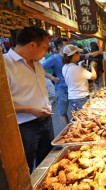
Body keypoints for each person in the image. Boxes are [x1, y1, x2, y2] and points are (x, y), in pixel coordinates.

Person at [4, 26, 54, 173]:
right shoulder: (5, 65)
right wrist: (30, 109)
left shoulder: (37, 64)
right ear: (32, 45)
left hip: (46, 121)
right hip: (25, 126)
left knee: (48, 163)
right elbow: (2, 106)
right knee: (26, 167)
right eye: (44, 47)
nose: (46, 51)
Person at [42, 38, 103, 125]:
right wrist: (52, 77)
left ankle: (72, 127)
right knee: (67, 114)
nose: (80, 54)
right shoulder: (55, 59)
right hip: (66, 91)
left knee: (78, 116)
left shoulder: (66, 66)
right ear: (59, 47)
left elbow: (88, 55)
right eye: (65, 45)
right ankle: (68, 129)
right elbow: (93, 76)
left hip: (72, 93)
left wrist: (99, 51)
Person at [62, 44, 97, 111]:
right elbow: (93, 76)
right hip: (81, 97)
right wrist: (92, 66)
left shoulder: (65, 67)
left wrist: (80, 65)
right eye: (79, 54)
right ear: (75, 55)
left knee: (79, 117)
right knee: (83, 118)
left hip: (73, 97)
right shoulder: (76, 68)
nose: (80, 55)